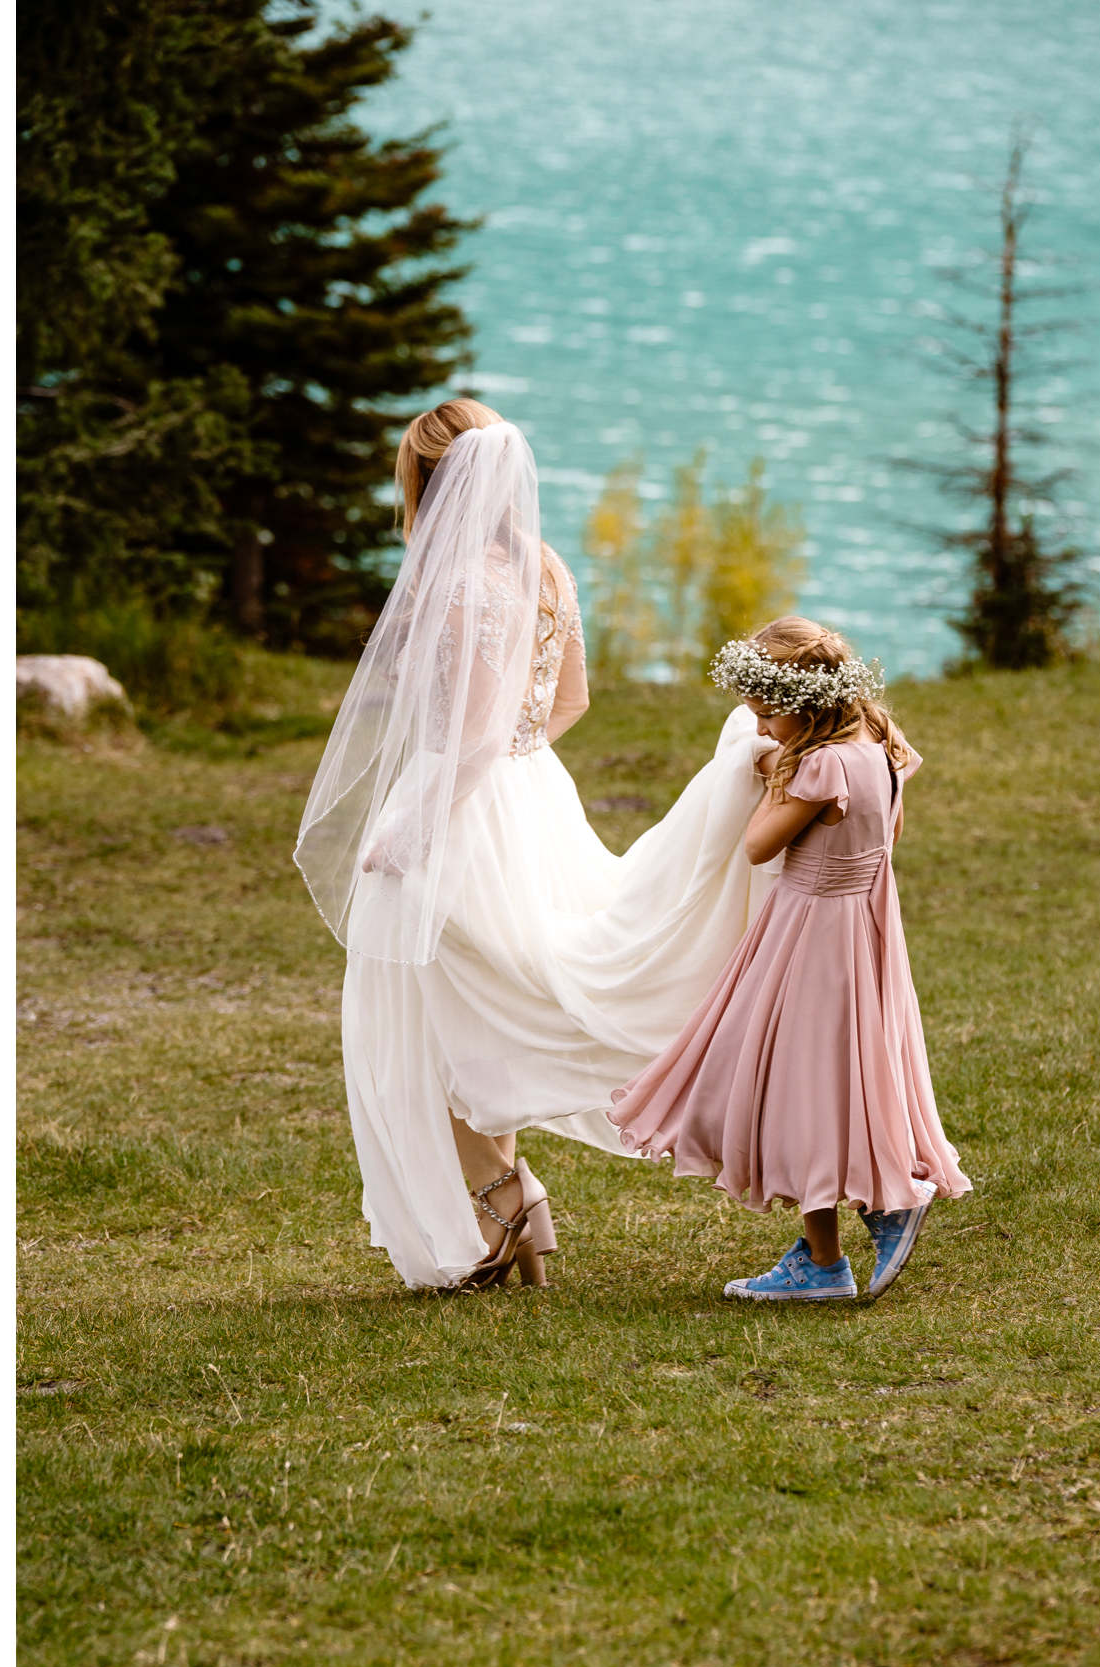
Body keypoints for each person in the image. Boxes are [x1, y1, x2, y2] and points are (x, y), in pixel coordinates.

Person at [297, 399, 778, 1290]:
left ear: (429, 482)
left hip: (459, 803)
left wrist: (412, 821)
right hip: (527, 794)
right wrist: (521, 767)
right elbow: (570, 702)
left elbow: (472, 732)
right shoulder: (545, 567)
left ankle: (507, 1203)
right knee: (481, 1007)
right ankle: (515, 1208)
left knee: (433, 1017)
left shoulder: (455, 581)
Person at [608, 618, 972, 1300]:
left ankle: (860, 1231)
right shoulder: (882, 741)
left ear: (803, 706)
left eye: (768, 715)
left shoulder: (820, 764)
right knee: (833, 1079)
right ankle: (837, 1244)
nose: (762, 729)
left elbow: (758, 847)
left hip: (810, 932)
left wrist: (777, 779)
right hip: (865, 925)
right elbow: (887, 832)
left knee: (795, 1081)